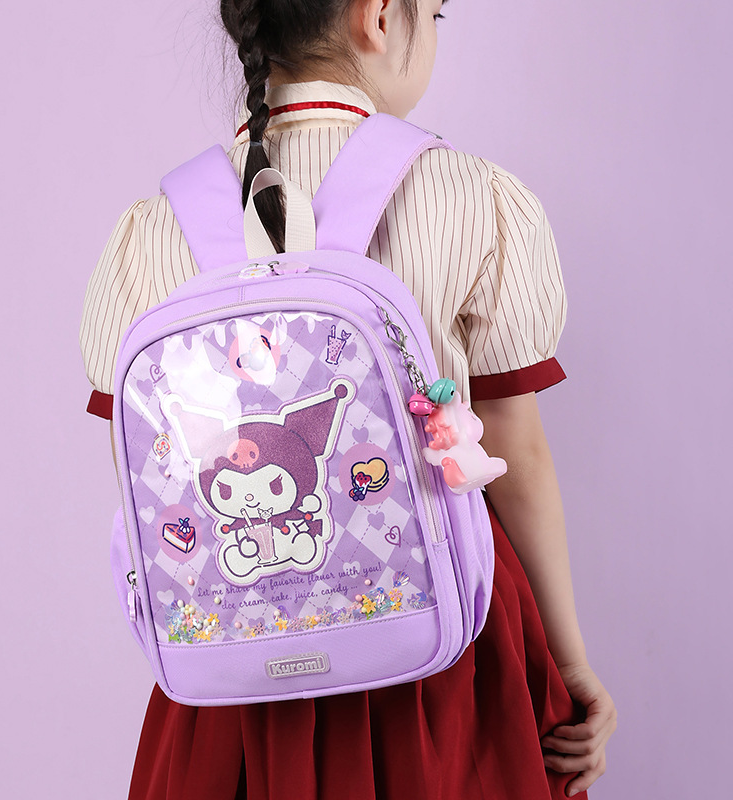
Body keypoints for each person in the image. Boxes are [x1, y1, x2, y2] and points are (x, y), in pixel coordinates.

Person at [79, 0, 617, 797]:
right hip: (440, 652)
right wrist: (567, 660)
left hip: (240, 669)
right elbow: (519, 457)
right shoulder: (474, 197)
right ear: (380, 16)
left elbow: (149, 482)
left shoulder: (147, 233)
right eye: (434, 13)